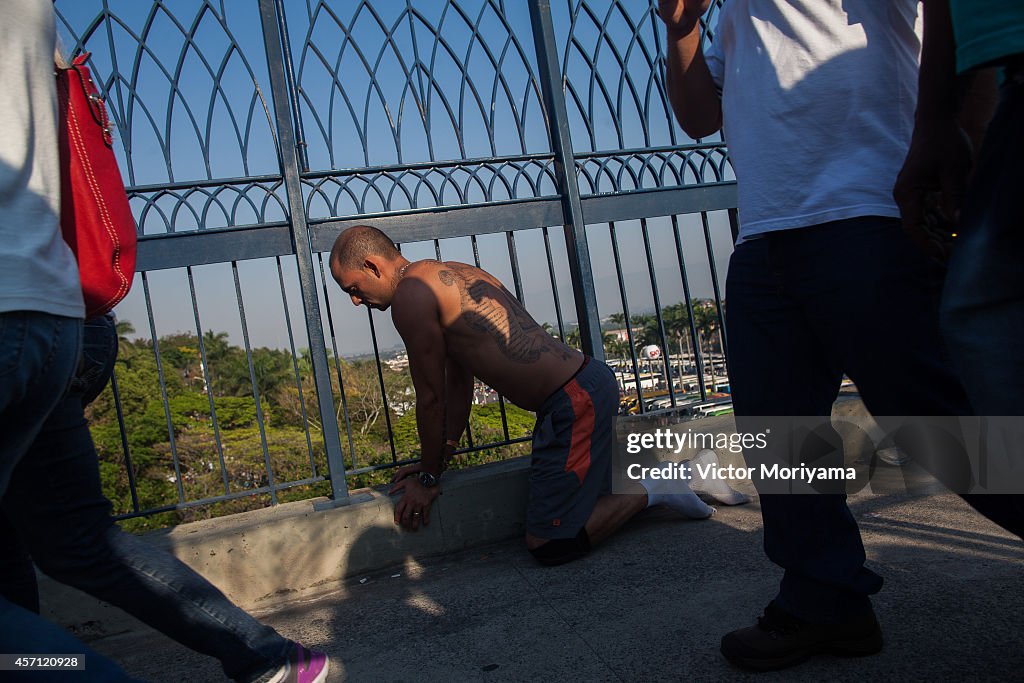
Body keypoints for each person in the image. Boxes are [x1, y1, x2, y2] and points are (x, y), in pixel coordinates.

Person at [657, 0, 1018, 672]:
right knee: (779, 431)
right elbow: (700, 116)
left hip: (870, 210)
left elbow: (953, 24)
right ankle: (825, 599)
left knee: (943, 422)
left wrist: (961, 135)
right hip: (766, 230)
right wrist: (681, 28)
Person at [329, 226, 748, 567]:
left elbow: (431, 397)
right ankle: (679, 478)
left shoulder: (410, 297)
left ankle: (671, 480)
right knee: (590, 506)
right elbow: (458, 384)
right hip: (583, 387)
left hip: (573, 400)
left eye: (353, 286)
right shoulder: (450, 272)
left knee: (549, 543)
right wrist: (436, 461)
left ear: (372, 265)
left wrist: (427, 482)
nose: (354, 299)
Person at [0, 314, 329, 683]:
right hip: (63, 328)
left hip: (14, 334)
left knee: (71, 541)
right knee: (74, 541)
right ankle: (272, 658)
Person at [896, 0, 1024, 535]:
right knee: (979, 320)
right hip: (1007, 74)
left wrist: (940, 120)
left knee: (979, 317)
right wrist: (936, 120)